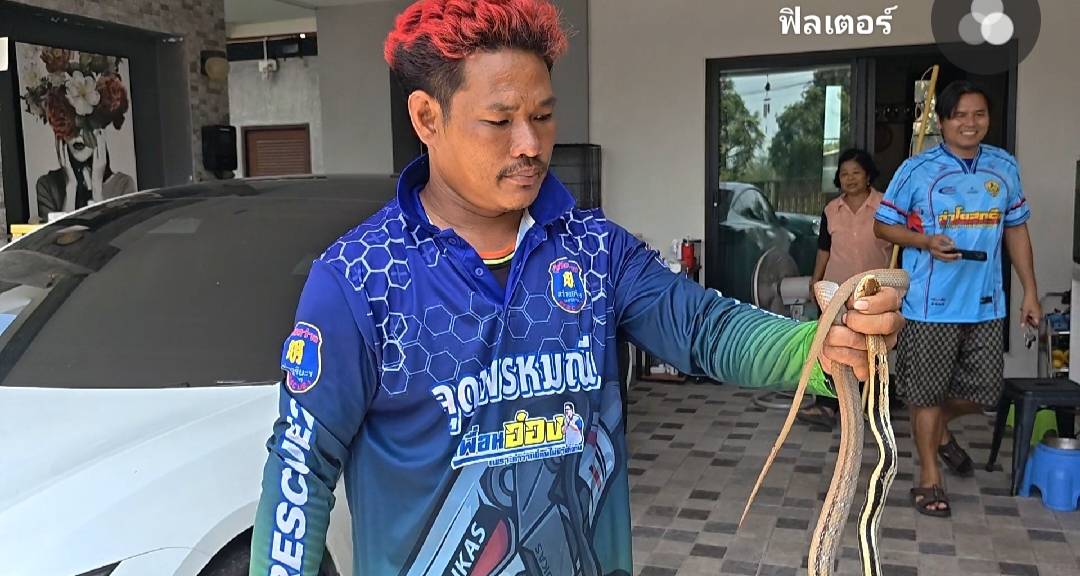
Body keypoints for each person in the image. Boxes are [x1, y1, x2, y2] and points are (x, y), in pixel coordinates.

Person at [248, 1, 904, 574]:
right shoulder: (360, 277)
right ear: (427, 118)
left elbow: (702, 327)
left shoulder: (593, 250)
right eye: (500, 121)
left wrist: (817, 348)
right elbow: (302, 464)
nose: (530, 144)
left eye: (542, 115)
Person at [874, 79, 1040, 518]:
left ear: (989, 119)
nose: (970, 123)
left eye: (978, 114)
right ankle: (929, 477)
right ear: (942, 121)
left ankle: (940, 428)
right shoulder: (917, 169)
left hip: (986, 302)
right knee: (925, 395)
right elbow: (883, 225)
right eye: (959, 115)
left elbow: (1016, 229)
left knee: (985, 391)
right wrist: (925, 241)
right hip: (930, 304)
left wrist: (1030, 292)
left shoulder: (1003, 167)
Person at [798, 148, 893, 429]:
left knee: (870, 349)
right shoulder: (831, 210)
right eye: (844, 174)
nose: (849, 179)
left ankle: (870, 407)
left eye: (856, 173)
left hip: (872, 293)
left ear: (868, 176)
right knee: (831, 346)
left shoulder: (886, 206)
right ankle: (827, 406)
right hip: (836, 290)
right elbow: (824, 250)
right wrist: (816, 280)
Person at [36, 131, 136, 222]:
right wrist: (70, 188)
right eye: (71, 125)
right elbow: (59, 235)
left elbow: (112, 234)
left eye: (86, 125)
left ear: (100, 135)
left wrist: (97, 188)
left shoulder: (123, 184)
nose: (78, 134)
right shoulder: (46, 185)